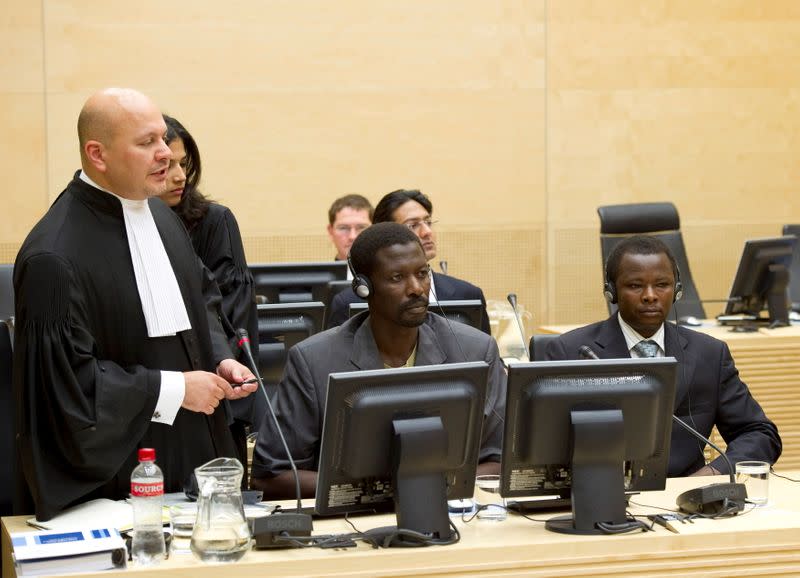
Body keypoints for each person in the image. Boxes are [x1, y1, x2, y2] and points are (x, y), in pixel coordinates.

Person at [13, 88, 257, 521]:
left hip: (196, 454)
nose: (165, 154)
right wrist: (176, 389)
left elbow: (202, 298)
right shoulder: (54, 257)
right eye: (147, 143)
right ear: (98, 154)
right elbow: (66, 388)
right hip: (119, 478)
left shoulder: (161, 216)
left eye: (163, 139)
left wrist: (218, 357)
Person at [251, 222, 506, 499]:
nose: (416, 289)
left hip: (450, 517)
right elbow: (271, 476)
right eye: (397, 278)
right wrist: (385, 490)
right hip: (351, 522)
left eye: (422, 274)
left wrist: (423, 485)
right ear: (363, 288)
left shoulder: (476, 350)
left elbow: (500, 459)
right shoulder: (313, 360)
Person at [546, 235, 782, 477]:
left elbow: (759, 433)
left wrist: (713, 473)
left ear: (677, 290)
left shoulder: (709, 354)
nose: (650, 295)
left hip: (686, 500)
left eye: (662, 284)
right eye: (635, 286)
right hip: (603, 497)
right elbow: (546, 443)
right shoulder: (571, 351)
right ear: (611, 292)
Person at [157, 114, 259, 479]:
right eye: (166, 165)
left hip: (215, 395)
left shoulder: (213, 221)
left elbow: (229, 314)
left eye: (184, 163)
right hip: (158, 400)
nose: (180, 176)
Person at [326, 189, 491, 333]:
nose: (427, 232)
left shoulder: (468, 294)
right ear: (385, 233)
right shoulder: (348, 302)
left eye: (428, 222)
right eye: (413, 225)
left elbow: (488, 363)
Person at [327, 194, 373, 265]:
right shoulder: (315, 275)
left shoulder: (390, 275)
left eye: (361, 227)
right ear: (331, 232)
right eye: (343, 228)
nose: (352, 236)